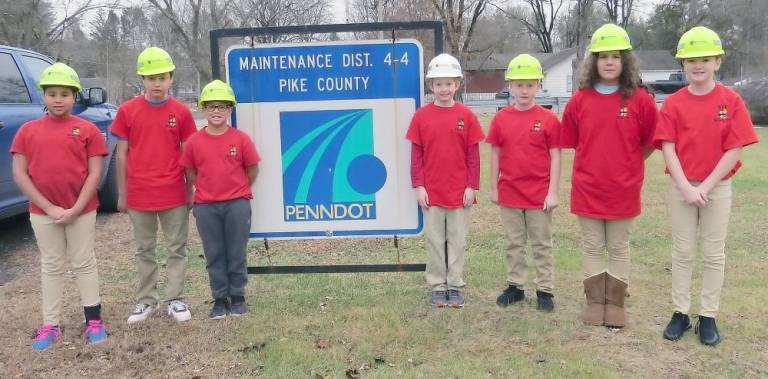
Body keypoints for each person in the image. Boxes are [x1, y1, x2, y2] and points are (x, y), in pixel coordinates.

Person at [654, 26, 759, 346]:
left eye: (705, 59)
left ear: (717, 62)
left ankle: (708, 315)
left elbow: (736, 147)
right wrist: (686, 187)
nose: (697, 65)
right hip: (682, 188)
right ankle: (680, 312)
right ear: (682, 65)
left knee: (714, 253)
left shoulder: (731, 100)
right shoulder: (673, 103)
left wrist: (708, 185)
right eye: (690, 60)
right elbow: (667, 145)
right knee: (683, 251)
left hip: (718, 188)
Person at [560, 24, 657, 328]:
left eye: (616, 56)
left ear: (626, 61)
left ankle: (615, 304)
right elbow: (575, 140)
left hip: (624, 189)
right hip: (588, 187)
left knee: (617, 246)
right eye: (603, 56)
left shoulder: (640, 99)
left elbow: (651, 141)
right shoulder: (579, 100)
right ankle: (594, 302)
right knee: (591, 246)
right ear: (594, 61)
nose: (610, 61)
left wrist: (628, 164)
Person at [11, 63, 109, 350]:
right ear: (43, 95)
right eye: (52, 93)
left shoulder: (87, 129)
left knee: (83, 262)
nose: (58, 99)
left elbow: (95, 172)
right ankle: (50, 324)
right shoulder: (28, 131)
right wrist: (48, 207)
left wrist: (77, 207)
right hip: (43, 213)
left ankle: (93, 319)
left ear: (74, 96)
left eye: (65, 94)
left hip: (82, 209)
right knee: (52, 265)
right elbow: (20, 173)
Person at [110, 47, 197, 323]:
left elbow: (188, 155)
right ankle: (146, 300)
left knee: (177, 248)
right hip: (139, 193)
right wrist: (122, 193)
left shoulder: (181, 113)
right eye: (150, 78)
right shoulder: (127, 111)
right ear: (142, 80)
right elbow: (121, 154)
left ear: (171, 78)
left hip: (173, 192)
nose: (156, 83)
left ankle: (175, 299)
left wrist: (190, 190)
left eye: (162, 77)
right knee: (144, 249)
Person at [406, 53, 485, 308]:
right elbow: (416, 154)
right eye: (438, 84)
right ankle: (438, 284)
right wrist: (419, 186)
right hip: (432, 191)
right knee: (434, 240)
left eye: (448, 83)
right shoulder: (421, 116)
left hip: (459, 192)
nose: (443, 89)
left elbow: (473, 155)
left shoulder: (467, 116)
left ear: (457, 84)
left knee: (457, 239)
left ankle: (455, 283)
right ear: (431, 86)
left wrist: (472, 186)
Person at [487, 54, 562, 312]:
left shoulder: (549, 119)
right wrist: (493, 186)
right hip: (510, 192)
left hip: (539, 195)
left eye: (530, 85)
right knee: (514, 243)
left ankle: (545, 289)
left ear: (539, 86)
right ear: (510, 86)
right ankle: (515, 286)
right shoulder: (500, 119)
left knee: (542, 243)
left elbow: (555, 155)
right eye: (519, 85)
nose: (524, 90)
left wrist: (553, 192)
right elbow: (495, 152)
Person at [180, 80, 260, 319]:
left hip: (237, 204)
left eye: (223, 106)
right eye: (212, 106)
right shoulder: (194, 141)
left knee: (236, 252)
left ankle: (237, 296)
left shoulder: (241, 139)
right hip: (206, 206)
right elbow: (190, 172)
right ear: (203, 109)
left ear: (230, 110)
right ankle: (219, 298)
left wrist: (238, 190)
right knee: (214, 253)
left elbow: (252, 169)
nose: (217, 111)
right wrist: (204, 191)